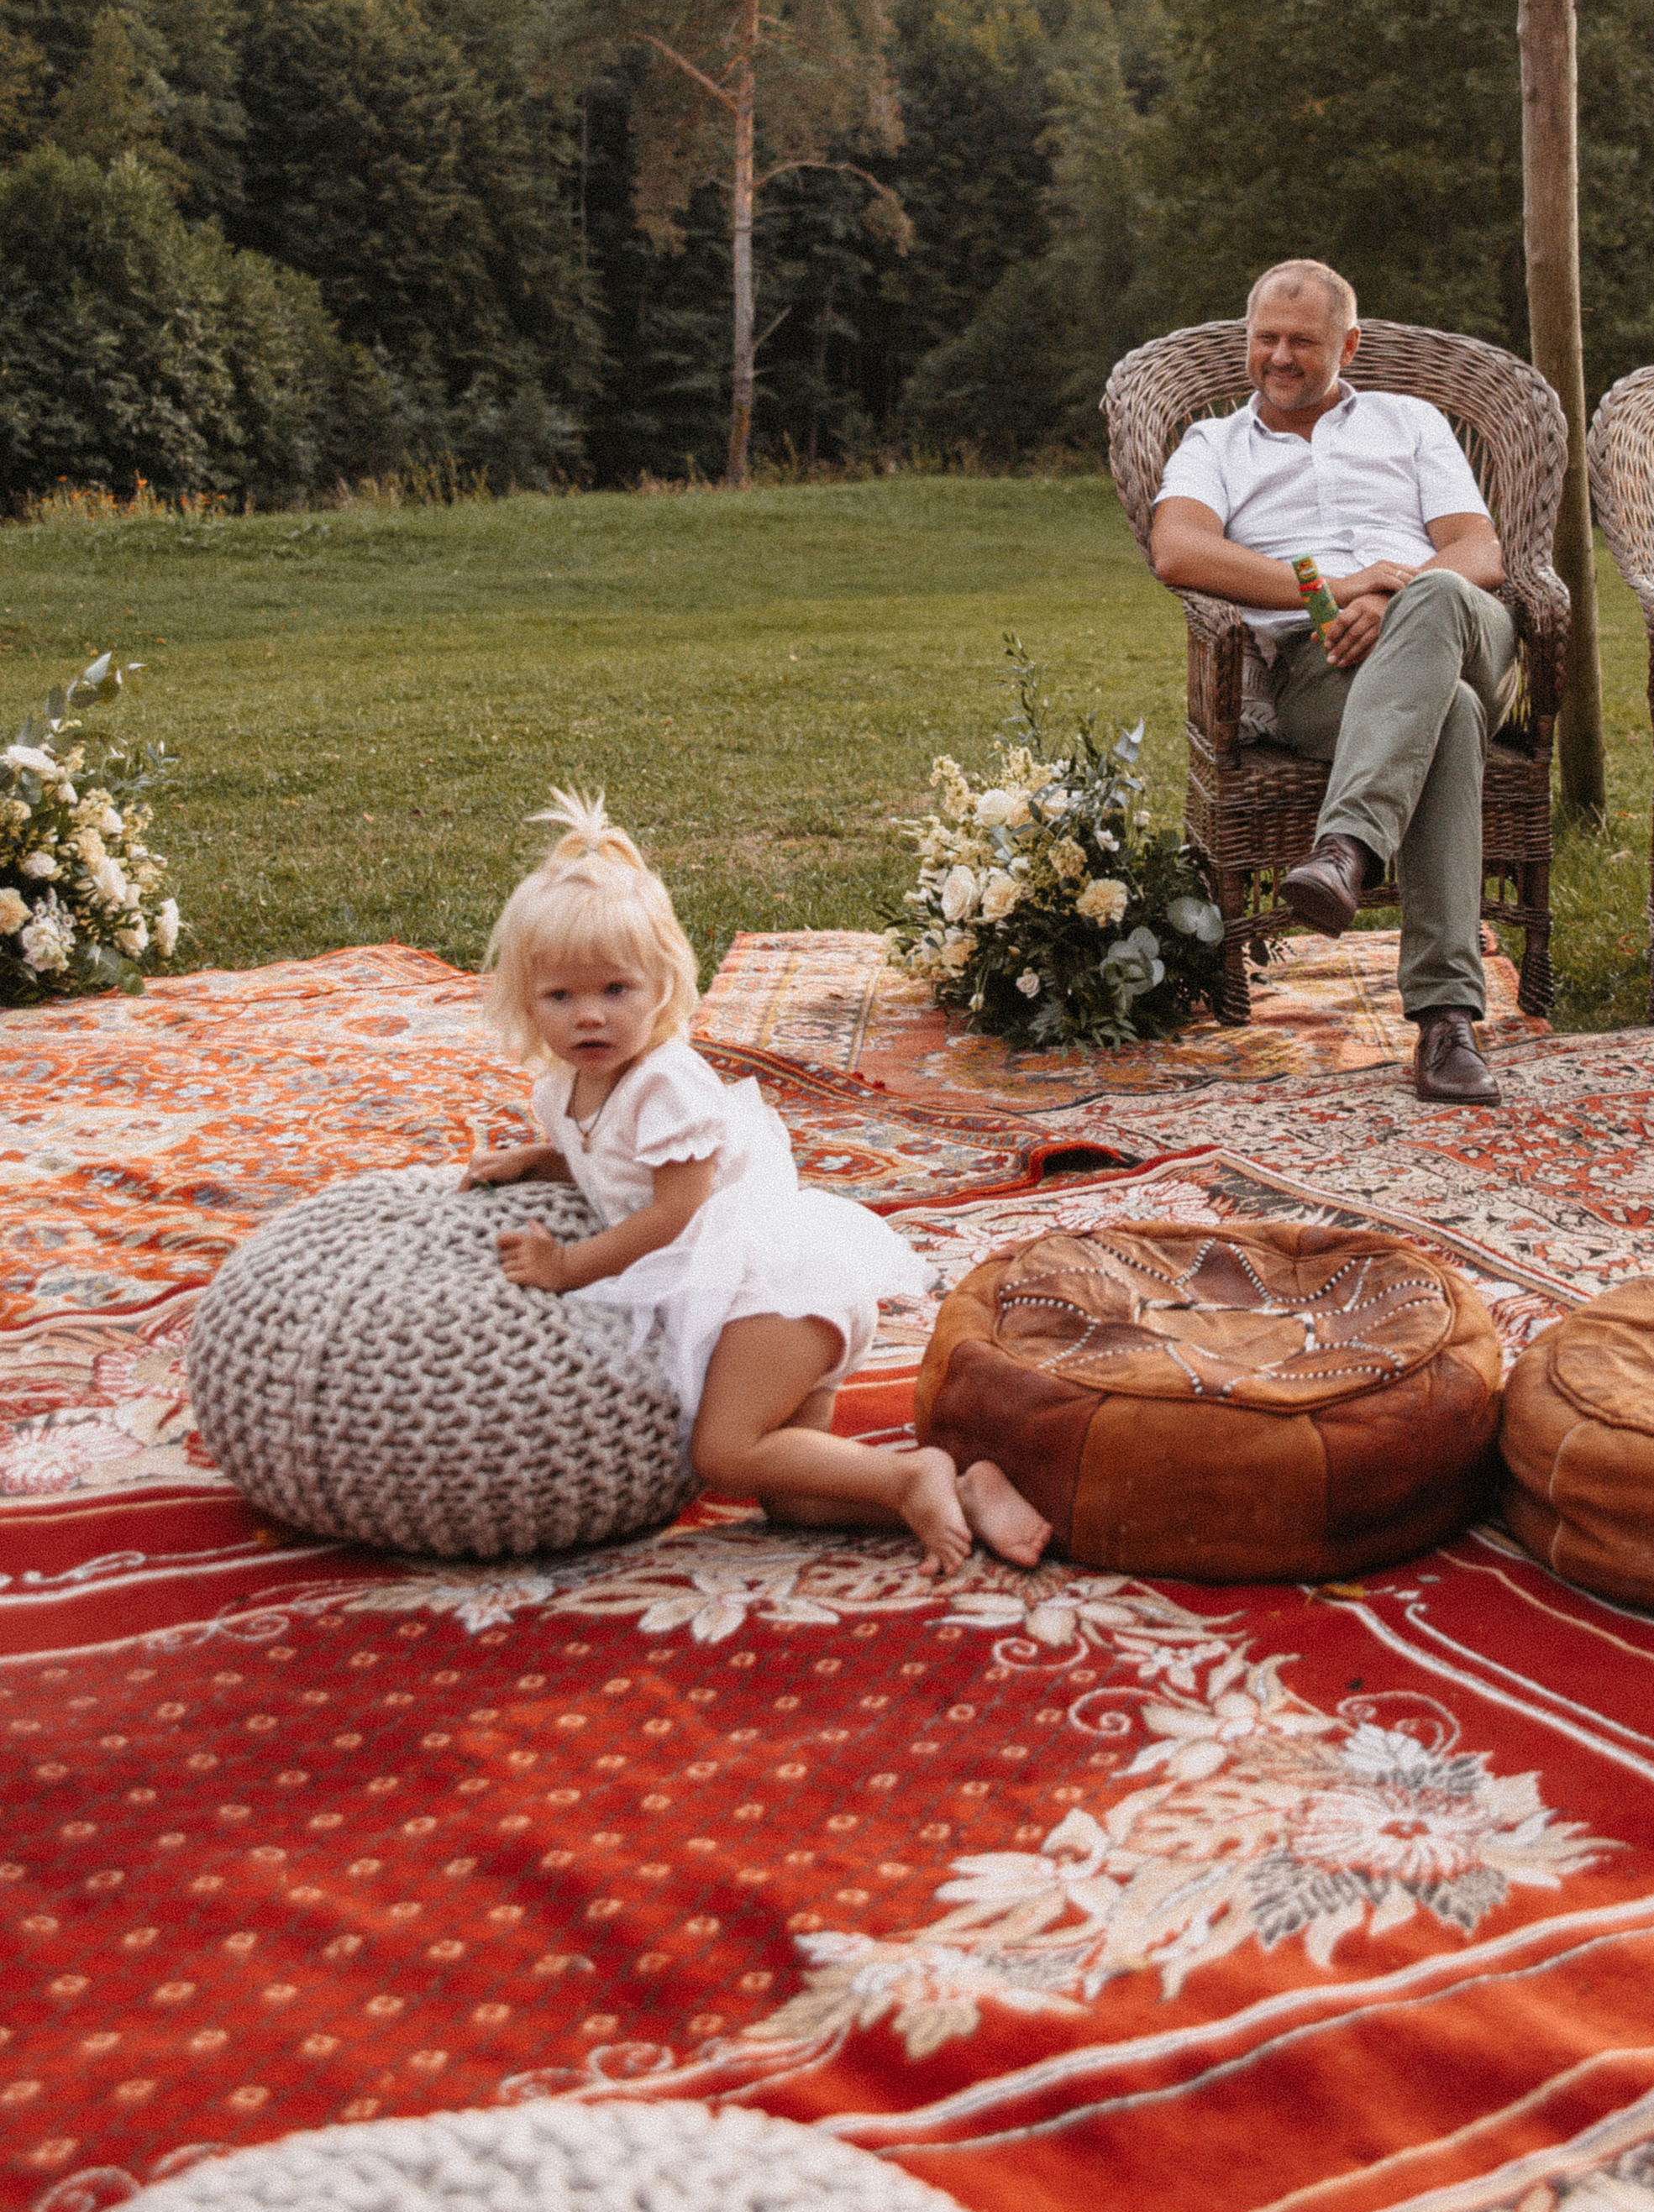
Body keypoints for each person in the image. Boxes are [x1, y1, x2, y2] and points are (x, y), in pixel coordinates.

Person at [465, 791, 1052, 1570]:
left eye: (615, 990)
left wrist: (568, 1267)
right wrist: (540, 1159)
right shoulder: (560, 1086)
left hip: (774, 1289)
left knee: (725, 1454)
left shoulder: (667, 1082)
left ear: (663, 985)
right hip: (746, 1304)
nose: (590, 1018)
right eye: (561, 996)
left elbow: (675, 1208)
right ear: (527, 1001)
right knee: (794, 1496)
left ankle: (912, 1473)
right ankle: (966, 1492)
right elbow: (613, 1163)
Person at [1149, 261, 1515, 1107]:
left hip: (1461, 631)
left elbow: (1478, 552)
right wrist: (1344, 590)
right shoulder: (1214, 445)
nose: (1279, 357)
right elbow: (1180, 551)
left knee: (1436, 607)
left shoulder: (1409, 421)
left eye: (1301, 342)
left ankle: (1344, 846)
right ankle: (1446, 1023)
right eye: (1265, 339)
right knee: (1446, 718)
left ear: (1346, 345)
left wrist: (1396, 597)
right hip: (1322, 673)